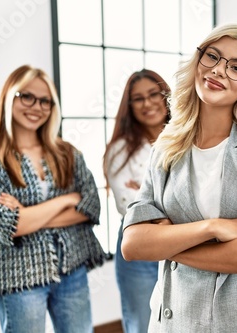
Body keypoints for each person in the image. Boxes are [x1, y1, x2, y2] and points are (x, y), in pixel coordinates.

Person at [120, 23, 237, 333]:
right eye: (213, 57)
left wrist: (168, 243)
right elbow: (133, 244)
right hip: (178, 316)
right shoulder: (167, 145)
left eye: (236, 67)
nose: (218, 70)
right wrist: (213, 228)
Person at [0, 65, 105, 333]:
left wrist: (28, 214)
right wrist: (66, 199)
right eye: (27, 96)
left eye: (45, 100)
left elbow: (91, 206)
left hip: (72, 269)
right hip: (19, 277)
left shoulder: (67, 153)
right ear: (9, 97)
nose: (37, 106)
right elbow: (9, 226)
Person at [103, 68, 171, 333]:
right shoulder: (120, 150)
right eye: (138, 98)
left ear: (165, 95)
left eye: (153, 94)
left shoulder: (190, 137)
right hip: (139, 243)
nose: (148, 103)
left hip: (184, 244)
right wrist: (172, 210)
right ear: (129, 106)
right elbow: (128, 203)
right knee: (142, 324)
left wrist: (146, 190)